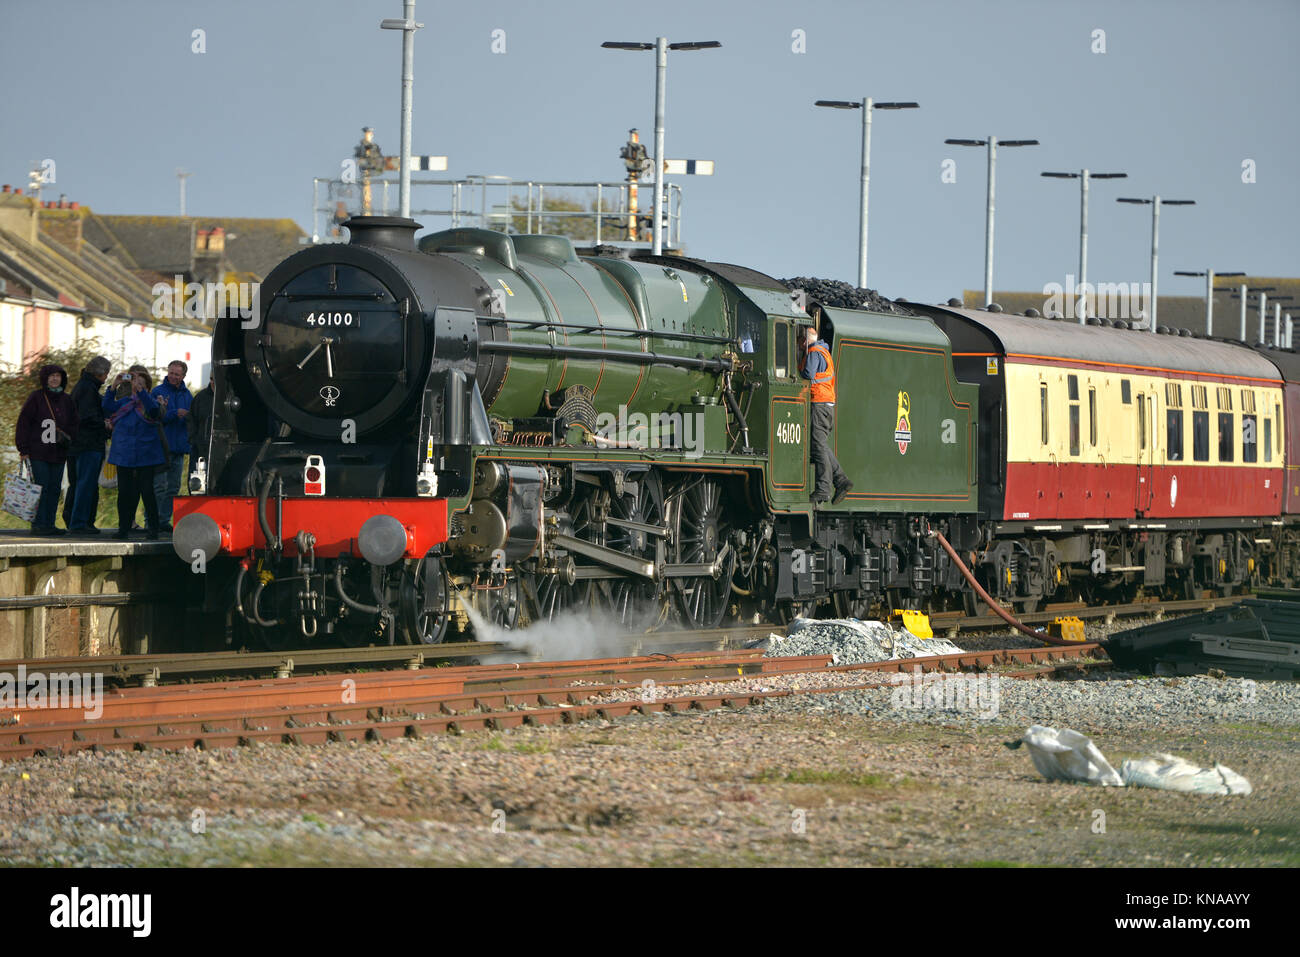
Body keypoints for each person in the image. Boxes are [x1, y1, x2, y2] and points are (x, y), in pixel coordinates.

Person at [14, 364, 79, 535]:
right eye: (51, 376)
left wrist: (68, 437)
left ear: (62, 379)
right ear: (45, 379)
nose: (55, 378)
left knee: (54, 488)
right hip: (38, 452)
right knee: (40, 487)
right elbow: (24, 423)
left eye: (58, 376)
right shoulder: (36, 398)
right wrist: (23, 449)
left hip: (58, 453)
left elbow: (74, 423)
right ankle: (38, 524)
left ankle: (49, 524)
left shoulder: (67, 400)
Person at [102, 366, 165, 540]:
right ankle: (123, 528)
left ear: (147, 387)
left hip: (146, 453)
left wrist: (142, 392)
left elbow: (153, 411)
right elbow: (107, 407)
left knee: (147, 491)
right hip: (124, 453)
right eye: (135, 382)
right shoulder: (124, 402)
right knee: (124, 493)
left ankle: (153, 528)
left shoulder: (151, 401)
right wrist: (113, 387)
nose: (137, 385)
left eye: (141, 383)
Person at [798, 326, 852, 505]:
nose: (799, 345)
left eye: (799, 341)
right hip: (827, 404)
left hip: (818, 403)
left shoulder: (813, 352)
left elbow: (808, 374)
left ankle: (823, 489)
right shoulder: (824, 351)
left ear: (805, 341)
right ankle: (841, 480)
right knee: (821, 444)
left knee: (817, 447)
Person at [63, 356, 112, 534]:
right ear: (102, 374)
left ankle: (74, 520)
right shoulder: (89, 390)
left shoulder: (81, 386)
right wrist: (104, 424)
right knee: (86, 484)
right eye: (106, 374)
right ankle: (79, 523)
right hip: (88, 444)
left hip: (76, 444)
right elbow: (87, 417)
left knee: (76, 484)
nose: (106, 377)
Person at [151, 359, 193, 529]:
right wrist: (175, 413)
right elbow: (155, 417)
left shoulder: (187, 395)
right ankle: (152, 520)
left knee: (173, 487)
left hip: (179, 448)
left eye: (177, 374)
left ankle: (163, 520)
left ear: (183, 375)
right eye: (171, 373)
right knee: (159, 486)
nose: (173, 377)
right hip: (161, 446)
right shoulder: (157, 392)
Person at [187, 372, 214, 484]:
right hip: (200, 448)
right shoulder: (200, 398)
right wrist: (194, 440)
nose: (213, 382)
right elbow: (191, 421)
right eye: (211, 378)